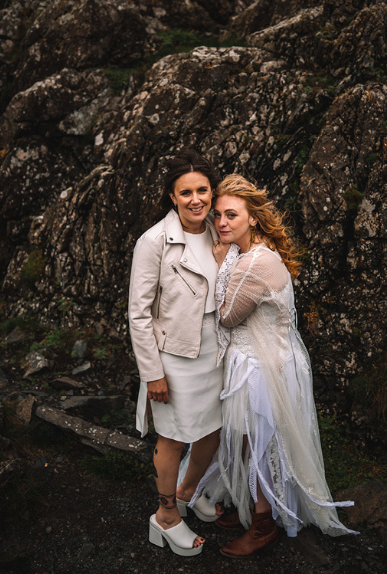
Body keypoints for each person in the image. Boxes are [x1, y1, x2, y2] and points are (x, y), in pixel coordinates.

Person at [190, 174, 355, 558]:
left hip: (262, 369)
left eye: (232, 215)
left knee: (260, 444)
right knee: (251, 441)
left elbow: (228, 316)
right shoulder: (252, 254)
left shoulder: (251, 263)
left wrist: (220, 265)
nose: (222, 223)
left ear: (253, 218)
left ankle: (264, 522)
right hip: (262, 361)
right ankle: (253, 506)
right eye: (219, 215)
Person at [128, 148, 225, 557]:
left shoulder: (221, 230)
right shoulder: (154, 241)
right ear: (172, 196)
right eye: (186, 193)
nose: (196, 199)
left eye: (202, 190)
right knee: (172, 438)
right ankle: (166, 515)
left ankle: (188, 491)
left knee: (213, 431)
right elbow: (138, 313)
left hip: (217, 350)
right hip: (174, 357)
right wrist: (153, 373)